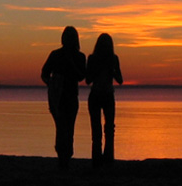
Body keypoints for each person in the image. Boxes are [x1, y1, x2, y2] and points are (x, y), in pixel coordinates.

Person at [41, 26, 86, 170]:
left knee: (68, 128)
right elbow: (44, 73)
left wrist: (71, 64)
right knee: (61, 128)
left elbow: (81, 76)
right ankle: (62, 157)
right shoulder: (55, 55)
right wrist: (52, 84)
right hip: (57, 97)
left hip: (71, 96)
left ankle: (66, 157)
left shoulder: (80, 57)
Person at [86, 33, 123, 168]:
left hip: (107, 95)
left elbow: (120, 80)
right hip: (97, 95)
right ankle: (98, 159)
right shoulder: (92, 59)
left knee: (108, 128)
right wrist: (97, 70)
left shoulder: (113, 59)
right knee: (98, 129)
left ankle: (107, 158)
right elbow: (88, 80)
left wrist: (112, 71)